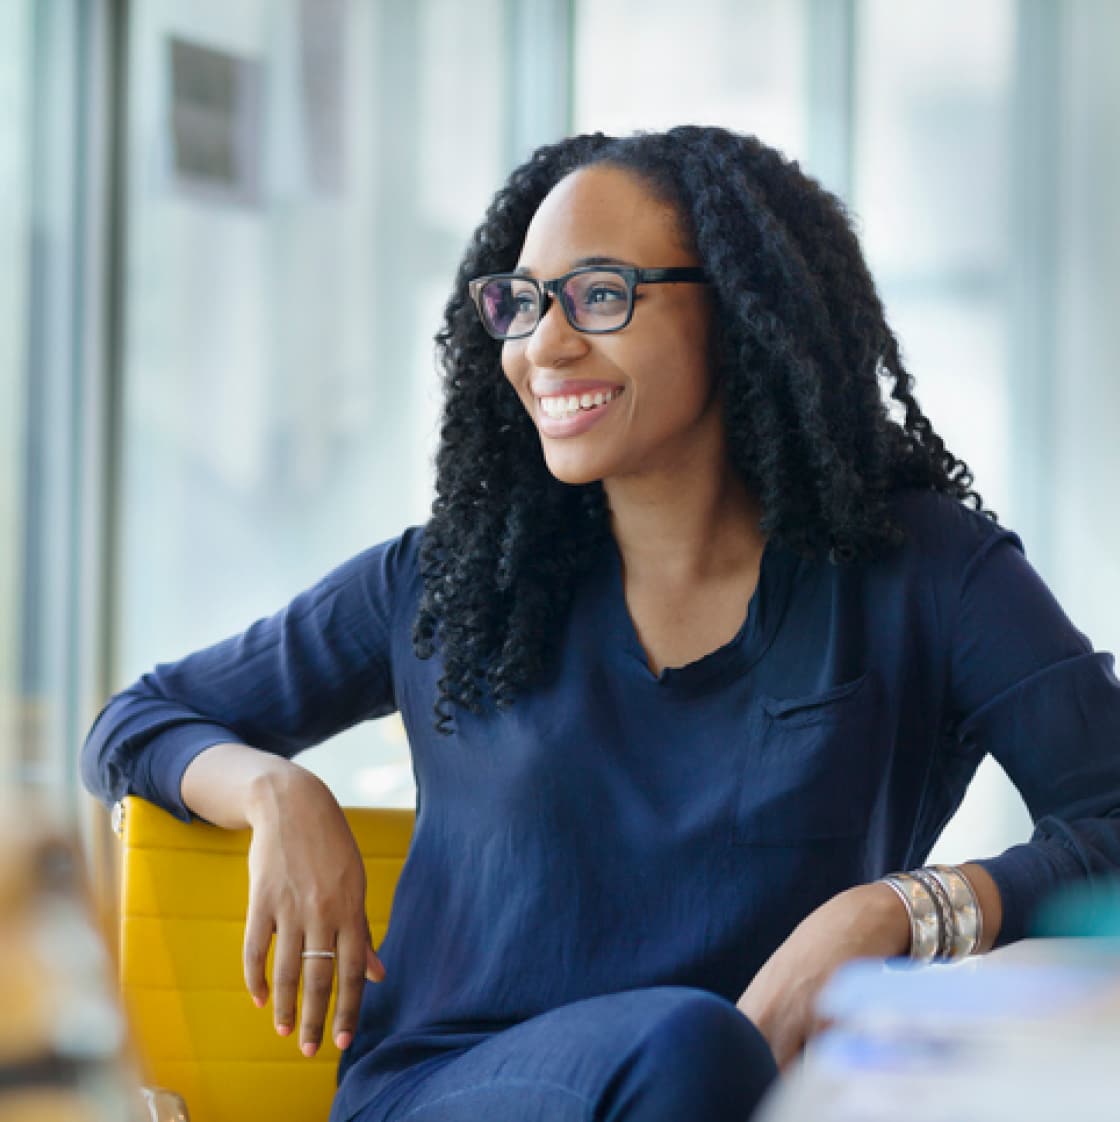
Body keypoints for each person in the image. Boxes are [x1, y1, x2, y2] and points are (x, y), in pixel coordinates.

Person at [81, 126, 1120, 1122]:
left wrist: (891, 912)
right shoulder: (451, 580)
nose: (546, 344)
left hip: (761, 1095)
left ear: (745, 314)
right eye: (521, 304)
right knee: (692, 1043)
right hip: (448, 1094)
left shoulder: (925, 572)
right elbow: (139, 720)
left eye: (600, 295)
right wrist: (275, 789)